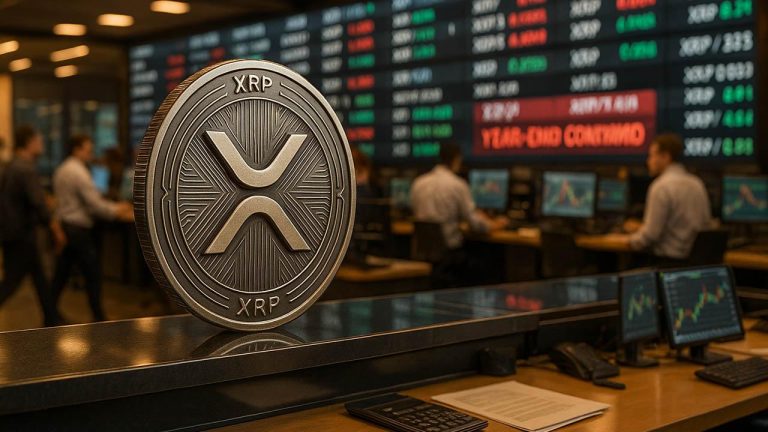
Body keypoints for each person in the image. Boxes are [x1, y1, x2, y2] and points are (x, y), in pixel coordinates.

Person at [51, 135, 134, 321]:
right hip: (78, 230)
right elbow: (95, 205)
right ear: (77, 149)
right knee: (93, 275)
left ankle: (50, 314)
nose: (91, 154)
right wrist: (118, 209)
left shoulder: (62, 169)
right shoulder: (79, 173)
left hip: (67, 227)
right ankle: (99, 319)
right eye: (88, 150)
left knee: (61, 275)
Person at [410, 142, 508, 286]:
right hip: (450, 256)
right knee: (491, 262)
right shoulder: (457, 185)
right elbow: (477, 225)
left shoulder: (418, 183)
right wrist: (498, 224)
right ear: (457, 159)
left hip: (423, 254)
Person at [0, 126, 64, 326]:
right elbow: (39, 205)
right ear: (29, 142)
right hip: (21, 234)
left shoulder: (11, 165)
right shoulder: (26, 168)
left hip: (11, 232)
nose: (41, 143)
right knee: (11, 282)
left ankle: (51, 318)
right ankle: (52, 318)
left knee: (39, 277)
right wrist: (56, 229)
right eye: (38, 139)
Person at [619, 133, 712, 260]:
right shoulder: (697, 183)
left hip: (665, 262)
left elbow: (650, 236)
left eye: (652, 155)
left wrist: (627, 240)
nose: (648, 161)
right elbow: (705, 225)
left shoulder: (660, 187)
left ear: (665, 157)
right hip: (694, 263)